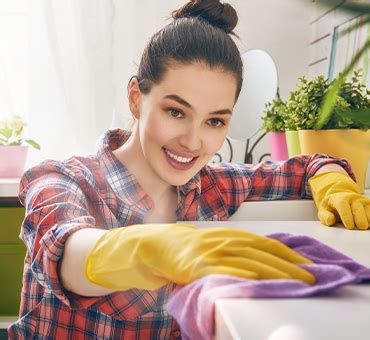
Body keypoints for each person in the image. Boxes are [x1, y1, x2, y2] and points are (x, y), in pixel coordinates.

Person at [9, 0, 370, 338]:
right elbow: (66, 254)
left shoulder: (212, 187)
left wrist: (331, 179)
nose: (193, 142)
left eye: (214, 121)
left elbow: (305, 167)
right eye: (176, 112)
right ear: (136, 98)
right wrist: (149, 249)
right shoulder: (63, 179)